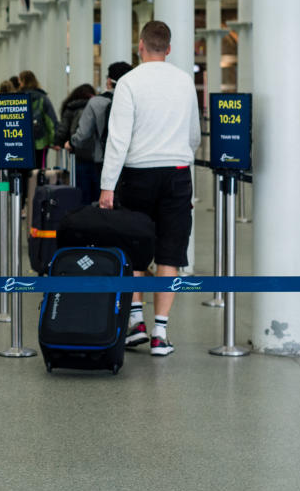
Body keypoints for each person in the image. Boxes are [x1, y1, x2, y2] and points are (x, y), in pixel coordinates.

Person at [98, 21, 200, 357]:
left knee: (135, 248)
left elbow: (119, 139)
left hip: (137, 174)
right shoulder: (185, 81)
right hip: (176, 172)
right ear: (168, 48)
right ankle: (161, 332)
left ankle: (136, 324)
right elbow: (194, 135)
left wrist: (107, 186)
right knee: (171, 252)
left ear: (140, 45)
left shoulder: (129, 82)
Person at [66, 62, 132, 204]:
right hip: (131, 162)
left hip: (103, 161)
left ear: (109, 81)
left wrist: (71, 143)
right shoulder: (134, 99)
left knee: (102, 204)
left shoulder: (96, 103)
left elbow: (82, 134)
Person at [17, 69, 57, 169]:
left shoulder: (17, 98)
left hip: (21, 142)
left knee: (23, 170)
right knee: (39, 170)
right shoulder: (42, 97)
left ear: (23, 82)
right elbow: (50, 121)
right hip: (40, 141)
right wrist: (54, 141)